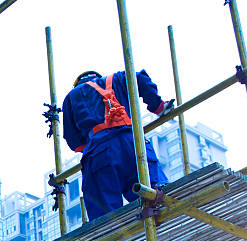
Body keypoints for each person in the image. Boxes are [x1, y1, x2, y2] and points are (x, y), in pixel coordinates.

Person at [62, 69, 173, 221]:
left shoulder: (72, 96)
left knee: (107, 219)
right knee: (159, 196)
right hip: (134, 144)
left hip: (100, 152)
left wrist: (91, 145)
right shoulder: (118, 78)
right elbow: (140, 77)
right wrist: (157, 106)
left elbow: (73, 142)